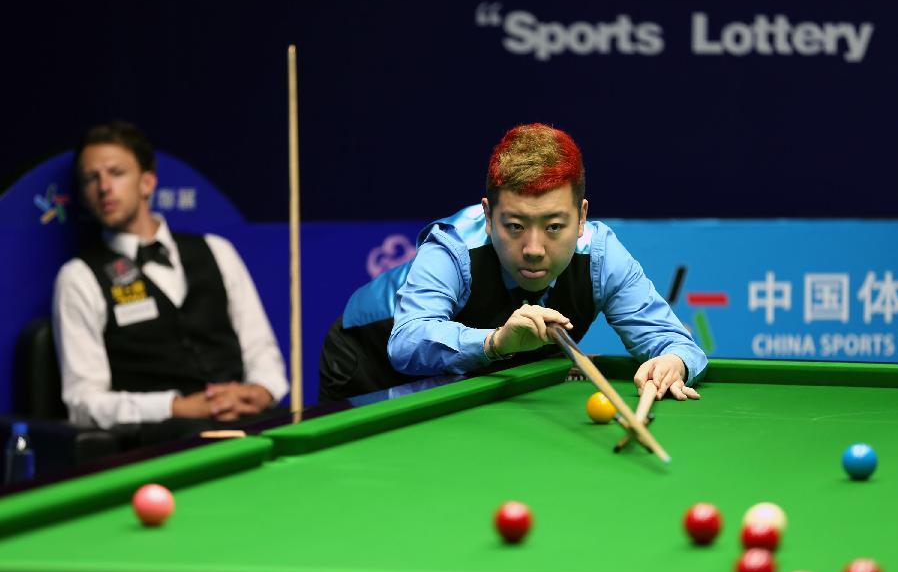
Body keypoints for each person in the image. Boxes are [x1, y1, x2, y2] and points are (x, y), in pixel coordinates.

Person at [320, 123, 707, 402]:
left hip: (472, 375)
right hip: (366, 363)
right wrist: (496, 342)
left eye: (555, 226)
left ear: (582, 216)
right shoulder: (453, 247)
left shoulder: (601, 255)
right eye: (516, 225)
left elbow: (674, 341)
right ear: (488, 216)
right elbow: (405, 343)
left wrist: (674, 361)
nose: (535, 248)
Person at [53, 121, 289, 437]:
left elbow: (261, 349)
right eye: (90, 179)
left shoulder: (217, 250)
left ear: (147, 182)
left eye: (116, 173)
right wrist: (174, 406)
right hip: (163, 439)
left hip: (249, 423)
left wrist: (260, 391)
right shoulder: (78, 277)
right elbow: (84, 402)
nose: (104, 187)